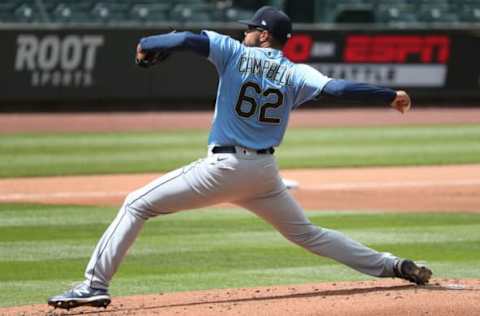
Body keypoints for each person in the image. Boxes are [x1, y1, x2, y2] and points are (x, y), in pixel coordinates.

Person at [48, 6, 431, 310]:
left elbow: (183, 38)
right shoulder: (297, 72)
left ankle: (93, 285)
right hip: (264, 174)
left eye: (251, 28)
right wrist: (388, 95)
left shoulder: (234, 51)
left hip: (224, 166)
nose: (244, 32)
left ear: (263, 34)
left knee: (135, 204)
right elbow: (339, 88)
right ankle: (391, 265)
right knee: (308, 234)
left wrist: (148, 42)